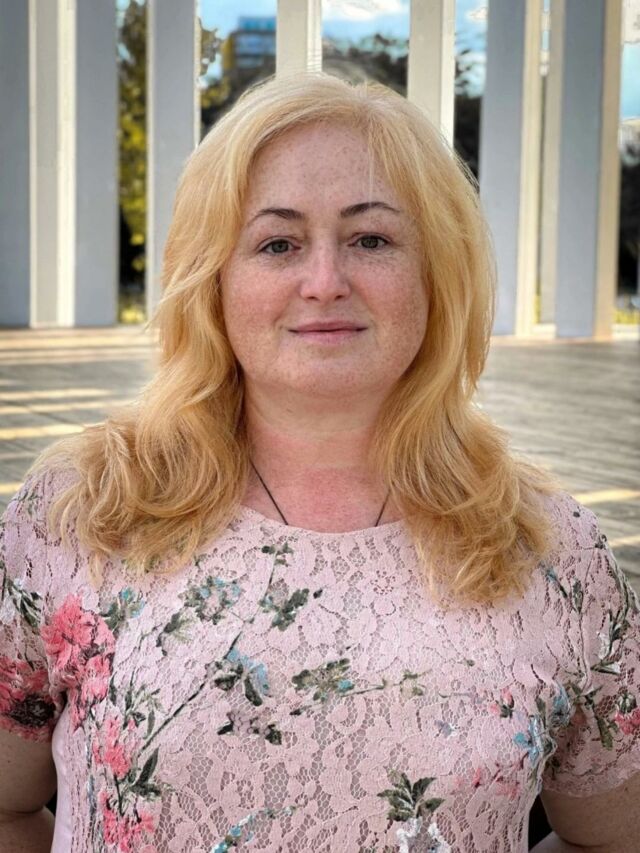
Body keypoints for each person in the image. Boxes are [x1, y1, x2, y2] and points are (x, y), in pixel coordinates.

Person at [1, 72, 639, 853]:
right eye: (278, 243)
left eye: (371, 239)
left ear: (438, 272)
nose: (325, 282)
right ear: (213, 278)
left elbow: (615, 835)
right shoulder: (81, 515)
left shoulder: (549, 550)